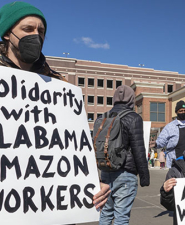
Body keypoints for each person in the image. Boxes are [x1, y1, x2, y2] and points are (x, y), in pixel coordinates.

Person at [0, 0, 110, 219]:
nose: (36, 36)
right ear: (6, 34)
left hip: (53, 209)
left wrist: (89, 182)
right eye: (27, 29)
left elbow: (69, 147)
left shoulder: (59, 87)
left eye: (40, 31)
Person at [99, 85, 150, 225]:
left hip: (105, 172)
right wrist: (144, 177)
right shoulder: (134, 118)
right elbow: (138, 149)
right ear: (132, 100)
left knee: (105, 214)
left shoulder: (104, 117)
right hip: (125, 173)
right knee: (121, 217)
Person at [156, 100, 185, 168]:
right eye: (181, 111)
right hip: (175, 163)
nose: (183, 112)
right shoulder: (170, 127)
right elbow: (162, 141)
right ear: (176, 112)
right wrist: (155, 144)